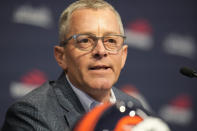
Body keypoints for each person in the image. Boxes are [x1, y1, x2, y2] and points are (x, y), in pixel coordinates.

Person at [1, 0, 148, 131]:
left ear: (123, 56)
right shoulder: (30, 115)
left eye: (110, 40)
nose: (101, 51)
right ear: (61, 56)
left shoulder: (134, 109)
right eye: (85, 41)